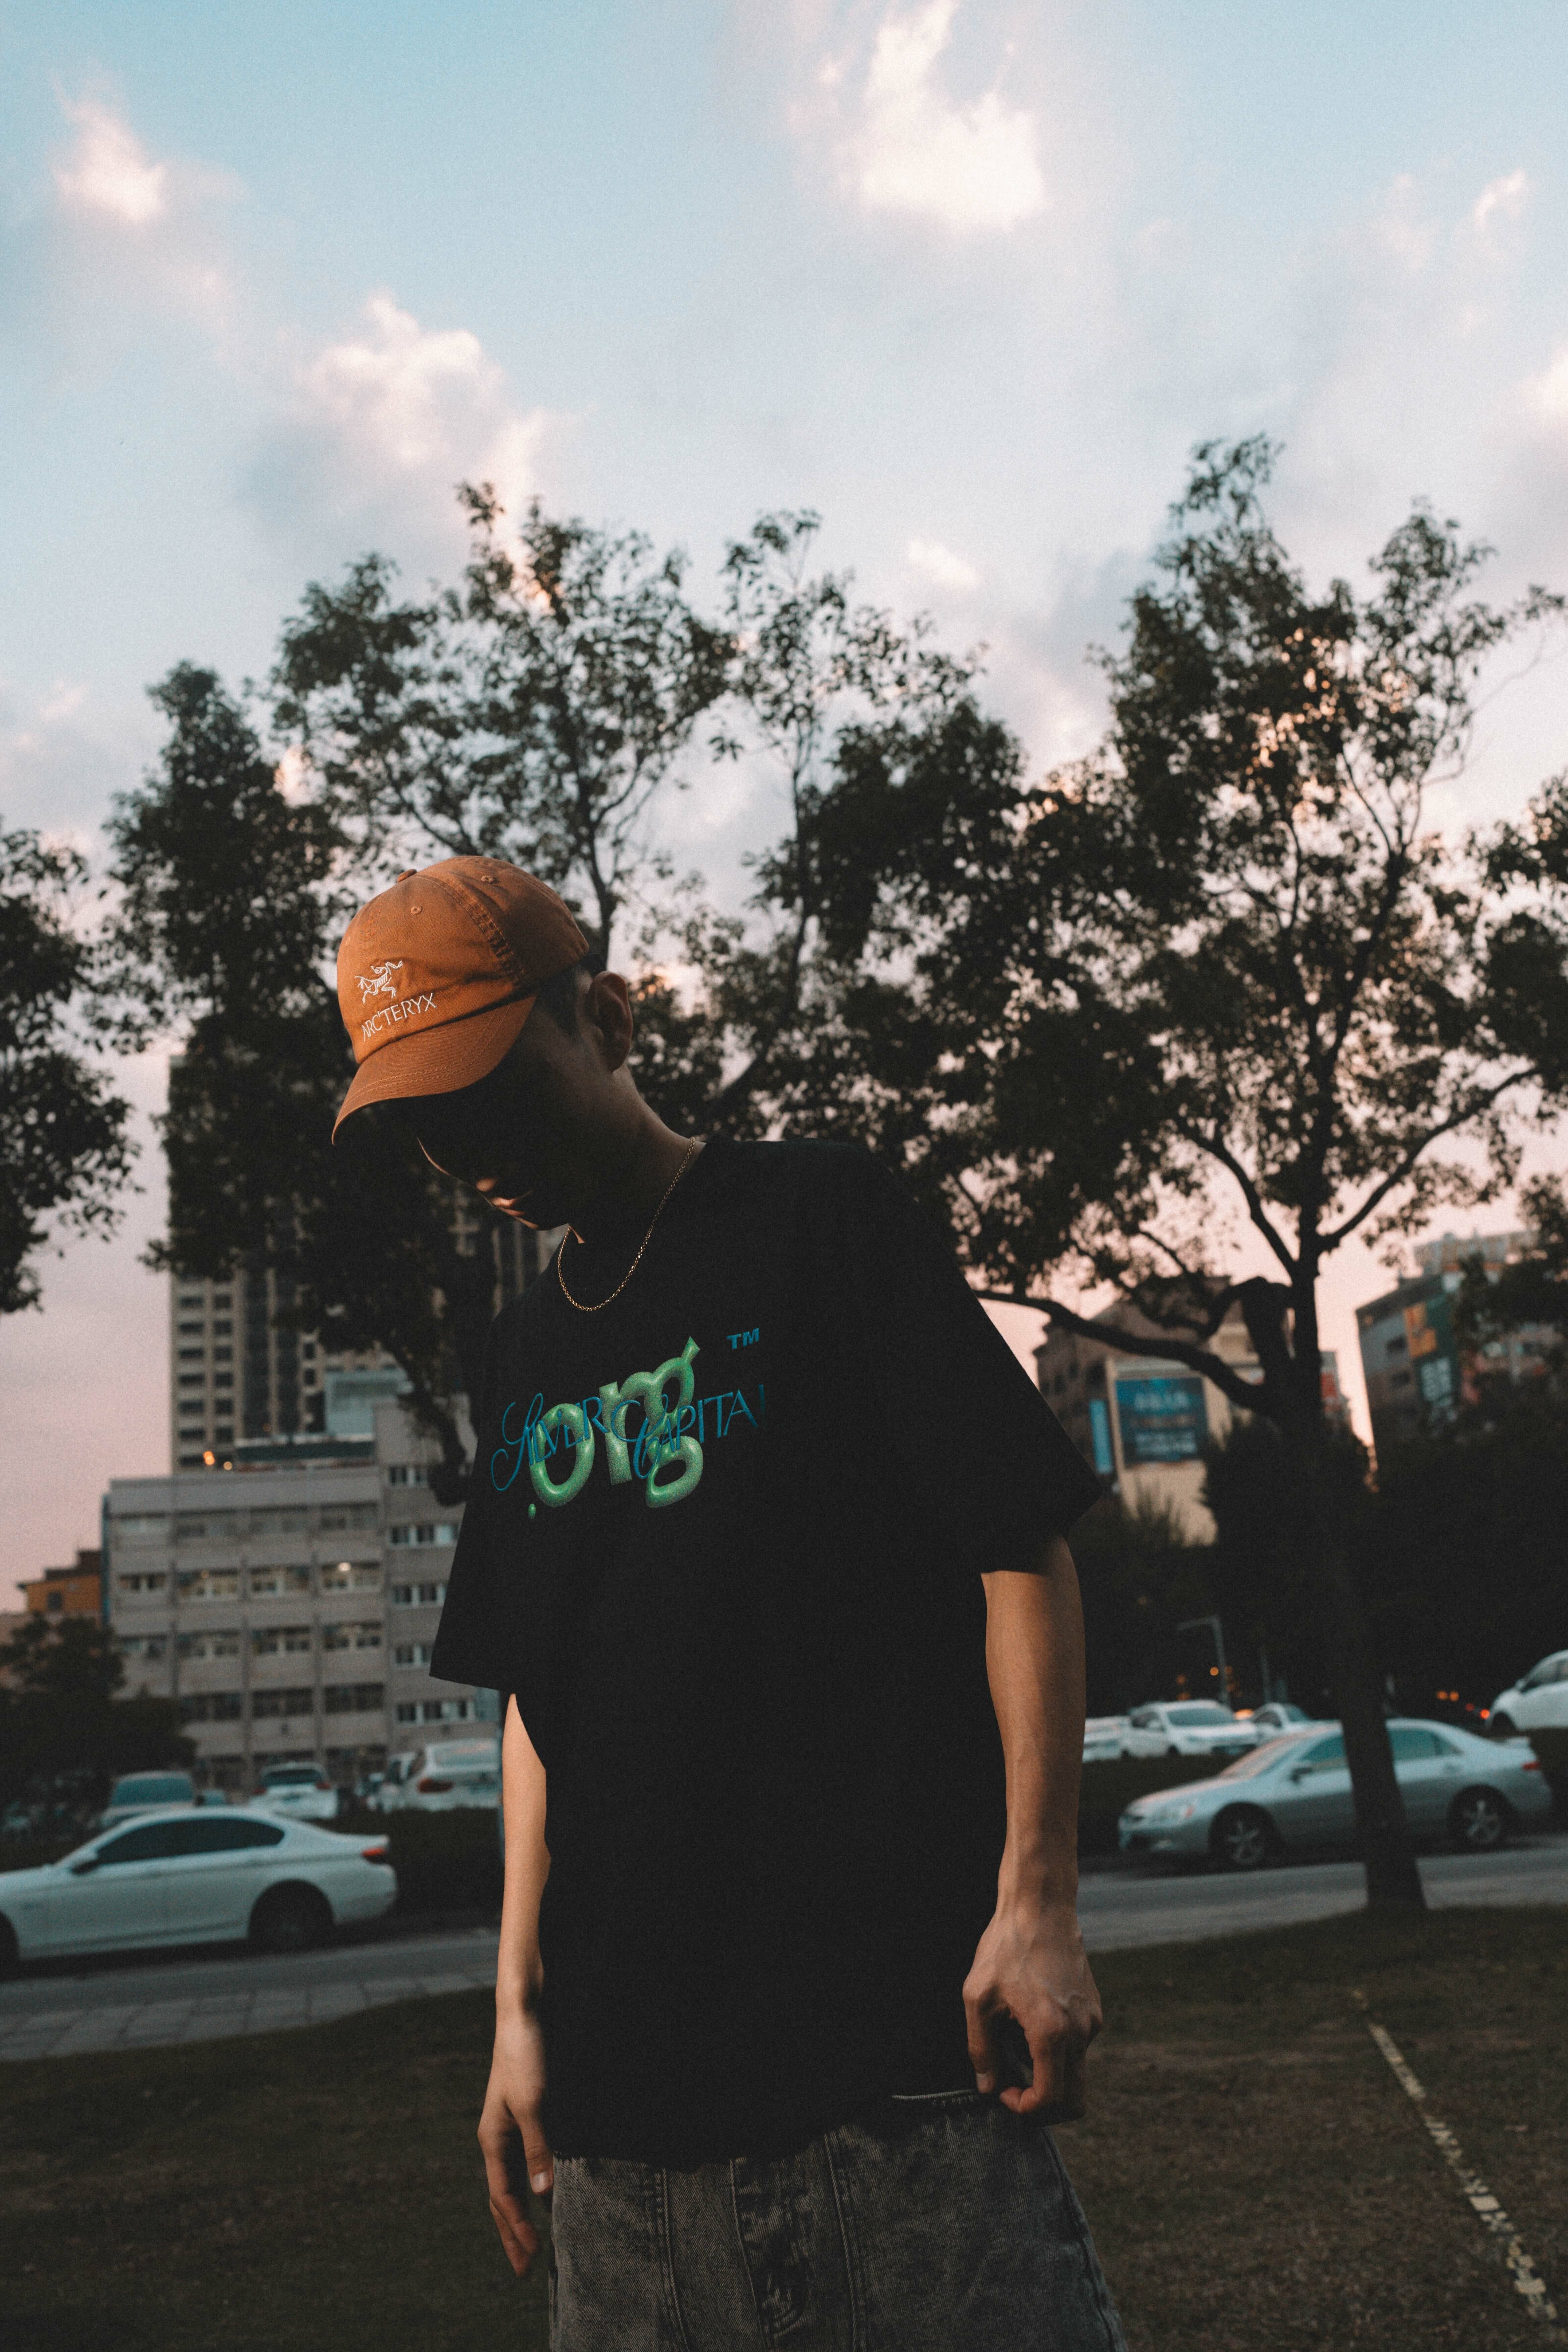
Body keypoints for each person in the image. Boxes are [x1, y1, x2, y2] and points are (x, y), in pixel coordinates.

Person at [332, 855, 1126, 2351]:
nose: (469, 1149)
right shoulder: (523, 1349)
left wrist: (1037, 1901)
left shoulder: (820, 1214)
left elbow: (1016, 1547)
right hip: (620, 2148)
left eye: (496, 1089)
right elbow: (538, 1700)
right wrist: (515, 2012)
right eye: (428, 1121)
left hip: (889, 2099)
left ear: (608, 1022)